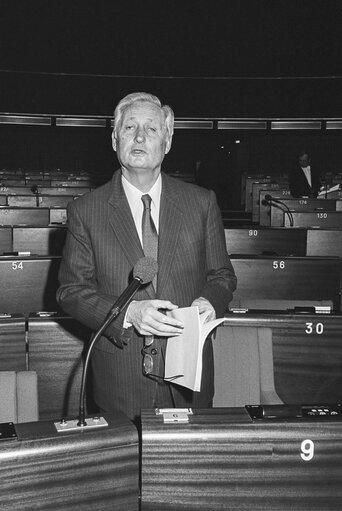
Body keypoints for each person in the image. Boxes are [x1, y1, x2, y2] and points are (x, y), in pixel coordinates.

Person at [56, 92, 237, 423]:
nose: (139, 137)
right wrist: (130, 313)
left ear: (167, 141)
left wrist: (209, 302)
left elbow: (222, 276)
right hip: (120, 381)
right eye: (129, 128)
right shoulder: (85, 211)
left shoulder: (202, 203)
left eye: (151, 129)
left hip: (188, 378)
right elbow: (71, 292)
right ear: (114, 139)